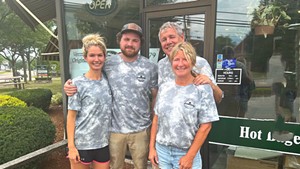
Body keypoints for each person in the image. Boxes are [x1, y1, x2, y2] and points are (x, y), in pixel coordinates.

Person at [65, 23, 158, 169]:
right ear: (119, 41)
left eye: (135, 40)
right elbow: (90, 79)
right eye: (126, 39)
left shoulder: (150, 67)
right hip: (114, 131)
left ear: (140, 43)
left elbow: (155, 97)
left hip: (141, 130)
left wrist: (154, 124)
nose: (130, 44)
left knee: (141, 166)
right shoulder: (108, 64)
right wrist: (69, 86)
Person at [148, 42, 219, 169]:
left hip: (186, 153)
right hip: (162, 151)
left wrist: (190, 157)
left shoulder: (202, 89)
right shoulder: (165, 87)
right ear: (171, 63)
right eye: (176, 59)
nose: (180, 64)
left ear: (192, 62)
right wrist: (152, 148)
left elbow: (206, 126)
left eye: (185, 59)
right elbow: (156, 119)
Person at [67, 33, 112, 169]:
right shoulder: (77, 84)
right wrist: (71, 147)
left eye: (100, 55)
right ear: (85, 57)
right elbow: (71, 117)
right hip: (82, 144)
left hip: (103, 144)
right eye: (92, 55)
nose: (96, 59)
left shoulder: (108, 80)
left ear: (104, 57)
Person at [157, 21, 223, 103]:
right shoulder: (161, 65)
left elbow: (218, 98)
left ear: (182, 37)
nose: (168, 42)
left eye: (171, 37)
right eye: (164, 39)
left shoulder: (200, 63)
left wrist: (210, 84)